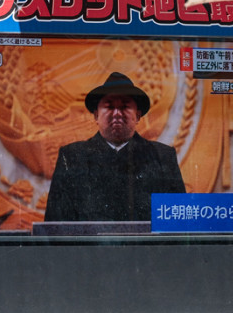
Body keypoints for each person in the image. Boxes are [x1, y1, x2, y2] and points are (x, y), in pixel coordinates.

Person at [44, 72, 186, 222]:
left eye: (125, 107)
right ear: (96, 115)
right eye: (109, 106)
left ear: (138, 115)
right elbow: (55, 226)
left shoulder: (162, 157)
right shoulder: (72, 158)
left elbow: (178, 223)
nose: (117, 113)